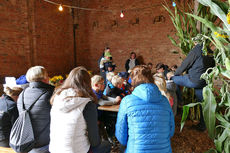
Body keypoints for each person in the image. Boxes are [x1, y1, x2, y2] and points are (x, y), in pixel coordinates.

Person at [49, 66, 111, 153]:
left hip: (55, 148)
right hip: (76, 150)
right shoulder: (87, 104)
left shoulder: (57, 98)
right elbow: (94, 142)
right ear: (88, 83)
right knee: (106, 145)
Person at [115, 65, 175, 153]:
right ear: (151, 79)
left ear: (133, 81)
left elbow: (121, 137)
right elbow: (171, 131)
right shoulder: (164, 101)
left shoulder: (127, 101)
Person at [168, 37, 215, 131]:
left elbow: (185, 64)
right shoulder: (209, 51)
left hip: (193, 80)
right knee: (203, 104)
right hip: (204, 82)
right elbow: (213, 65)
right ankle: (202, 125)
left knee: (172, 79)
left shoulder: (197, 49)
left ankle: (178, 104)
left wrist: (173, 74)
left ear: (196, 42)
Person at [17, 66, 54, 153]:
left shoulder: (22, 94)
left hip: (26, 141)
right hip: (45, 142)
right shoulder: (50, 94)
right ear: (44, 78)